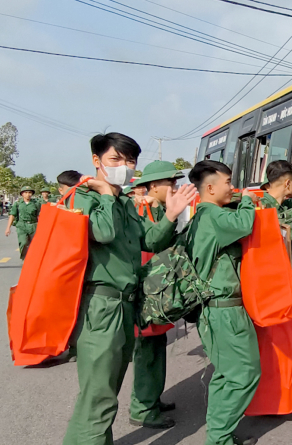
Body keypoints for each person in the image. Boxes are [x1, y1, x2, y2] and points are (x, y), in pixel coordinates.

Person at [62, 133, 196, 445]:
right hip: (101, 305)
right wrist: (107, 194)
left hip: (124, 306)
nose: (125, 166)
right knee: (98, 397)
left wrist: (171, 215)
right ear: (96, 162)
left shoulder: (124, 204)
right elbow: (103, 232)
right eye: (116, 159)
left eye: (130, 160)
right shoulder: (85, 198)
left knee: (107, 393)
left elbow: (149, 240)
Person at [187, 160, 260, 445]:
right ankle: (218, 438)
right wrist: (248, 202)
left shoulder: (202, 215)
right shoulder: (213, 216)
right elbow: (244, 225)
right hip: (224, 311)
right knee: (245, 374)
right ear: (210, 187)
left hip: (217, 310)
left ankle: (219, 436)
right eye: (228, 182)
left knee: (226, 375)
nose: (233, 187)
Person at [127, 160, 186, 429]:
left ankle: (151, 398)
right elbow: (151, 244)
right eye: (170, 183)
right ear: (153, 186)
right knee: (147, 351)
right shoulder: (142, 209)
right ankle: (142, 408)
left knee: (156, 346)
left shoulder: (159, 208)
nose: (174, 187)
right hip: (147, 291)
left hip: (158, 289)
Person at [5, 187, 41, 259]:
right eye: (26, 193)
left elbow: (39, 216)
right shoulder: (18, 204)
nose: (28, 194)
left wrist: (41, 227)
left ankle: (34, 259)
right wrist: (8, 228)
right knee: (23, 242)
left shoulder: (36, 204)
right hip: (22, 226)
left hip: (33, 225)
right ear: (22, 194)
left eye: (30, 193)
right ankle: (25, 258)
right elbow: (12, 215)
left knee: (34, 244)